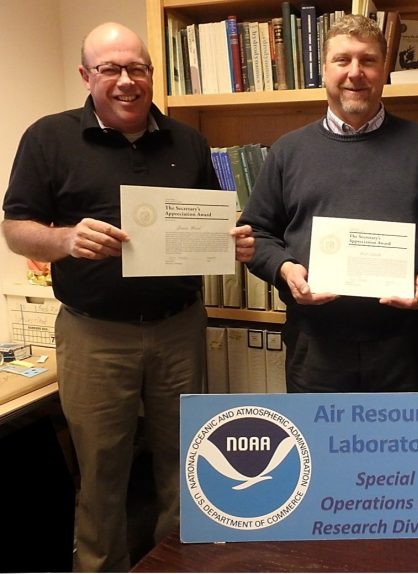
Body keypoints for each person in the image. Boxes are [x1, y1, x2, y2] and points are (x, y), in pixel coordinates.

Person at [1, 22, 254, 572]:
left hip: (179, 326)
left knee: (185, 466)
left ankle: (177, 565)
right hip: (95, 335)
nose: (125, 81)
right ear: (86, 75)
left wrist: (228, 243)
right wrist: (65, 240)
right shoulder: (49, 137)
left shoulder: (188, 141)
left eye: (136, 68)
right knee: (101, 474)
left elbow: (212, 224)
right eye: (110, 69)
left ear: (151, 73)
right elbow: (16, 226)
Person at [239, 14, 418, 393]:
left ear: (384, 69)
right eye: (342, 60)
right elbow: (257, 234)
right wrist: (285, 269)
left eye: (368, 60)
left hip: (404, 346)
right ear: (325, 70)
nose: (355, 72)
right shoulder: (288, 151)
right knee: (319, 450)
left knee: (400, 450)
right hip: (315, 345)